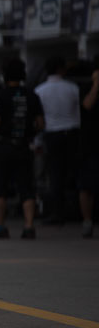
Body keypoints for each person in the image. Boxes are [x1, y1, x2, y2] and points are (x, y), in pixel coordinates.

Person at [0, 58, 44, 239]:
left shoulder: (0, 96)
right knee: (26, 188)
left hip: (2, 147)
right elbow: (41, 123)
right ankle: (29, 226)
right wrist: (30, 133)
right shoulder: (32, 96)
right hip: (23, 146)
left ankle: (0, 226)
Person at [34, 56, 81, 224]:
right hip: (72, 133)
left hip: (52, 134)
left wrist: (37, 140)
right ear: (61, 69)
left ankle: (57, 212)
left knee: (55, 174)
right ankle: (78, 209)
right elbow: (79, 113)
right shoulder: (72, 88)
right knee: (74, 173)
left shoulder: (40, 90)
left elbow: (38, 119)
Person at [79, 65, 99, 237]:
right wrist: (96, 84)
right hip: (90, 145)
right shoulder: (87, 87)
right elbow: (87, 105)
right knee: (86, 185)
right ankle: (87, 221)